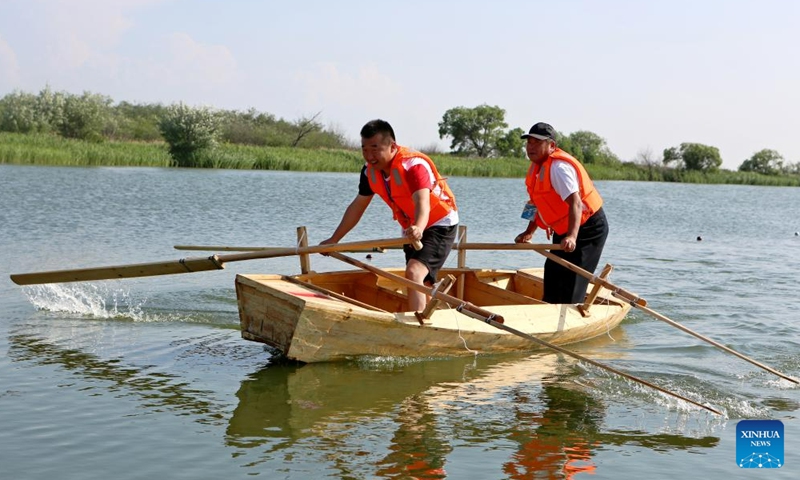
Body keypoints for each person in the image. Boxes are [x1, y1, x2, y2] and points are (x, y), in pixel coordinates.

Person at [320, 119, 459, 312]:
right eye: (364, 149)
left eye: (375, 149)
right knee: (421, 280)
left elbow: (422, 203)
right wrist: (334, 239)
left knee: (414, 271)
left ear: (392, 146)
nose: (369, 156)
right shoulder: (369, 172)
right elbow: (358, 206)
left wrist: (419, 227)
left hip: (439, 223)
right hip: (411, 225)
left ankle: (417, 327)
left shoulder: (413, 165)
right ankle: (425, 320)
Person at [514, 122, 608, 304]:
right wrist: (528, 232)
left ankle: (570, 313)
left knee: (572, 278)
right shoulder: (536, 168)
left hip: (587, 228)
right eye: (529, 143)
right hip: (563, 228)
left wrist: (572, 237)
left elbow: (576, 203)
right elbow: (535, 203)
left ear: (551, 146)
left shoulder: (559, 169)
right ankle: (548, 310)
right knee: (553, 273)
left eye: (537, 142)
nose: (531, 147)